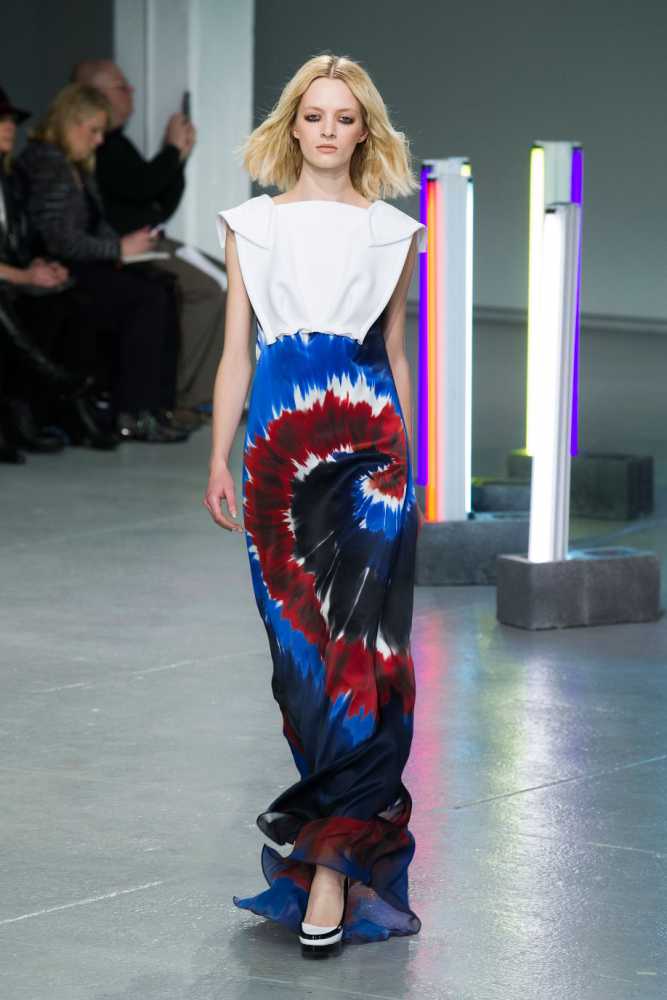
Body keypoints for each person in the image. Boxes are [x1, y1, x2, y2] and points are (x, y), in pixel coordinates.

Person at [203, 54, 425, 956]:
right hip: (277, 458)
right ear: (291, 125)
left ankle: (331, 870)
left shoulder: (392, 231)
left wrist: (411, 464)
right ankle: (331, 845)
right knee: (300, 664)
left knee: (364, 658)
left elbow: (395, 351)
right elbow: (236, 352)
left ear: (363, 131)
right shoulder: (251, 226)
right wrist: (216, 457)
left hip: (370, 459)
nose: (328, 131)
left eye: (344, 118)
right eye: (314, 115)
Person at [17, 83, 188, 443]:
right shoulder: (47, 163)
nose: (99, 141)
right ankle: (134, 411)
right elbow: (60, 240)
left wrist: (126, 246)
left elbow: (93, 227)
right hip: (63, 269)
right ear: (70, 122)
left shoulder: (74, 165)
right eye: (93, 130)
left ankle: (154, 408)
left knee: (162, 286)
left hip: (83, 264)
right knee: (146, 298)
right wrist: (118, 249)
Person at [72, 59, 227, 423]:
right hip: (129, 247)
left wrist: (178, 156)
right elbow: (142, 187)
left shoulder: (116, 142)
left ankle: (205, 396)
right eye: (121, 87)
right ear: (93, 95)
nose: (131, 93)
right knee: (211, 288)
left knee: (228, 280)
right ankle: (184, 398)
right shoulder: (101, 146)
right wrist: (171, 151)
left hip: (150, 239)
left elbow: (156, 204)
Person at [0, 85, 118, 456]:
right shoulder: (43, 166)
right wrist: (24, 275)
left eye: (10, 120)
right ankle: (62, 385)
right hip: (8, 283)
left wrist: (36, 267)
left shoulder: (8, 180)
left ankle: (57, 405)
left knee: (71, 300)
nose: (9, 127)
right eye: (1, 120)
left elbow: (19, 243)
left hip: (13, 277)